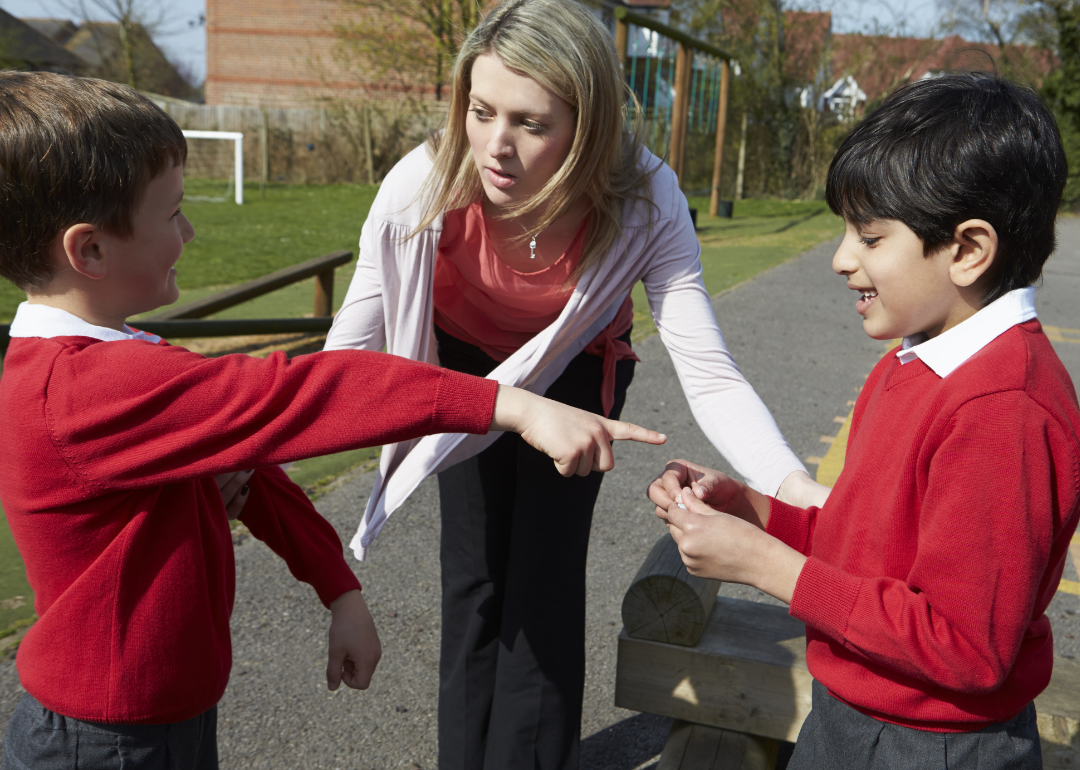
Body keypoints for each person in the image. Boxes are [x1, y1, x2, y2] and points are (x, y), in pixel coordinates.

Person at [0, 71, 665, 770]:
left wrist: (338, 588)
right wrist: (512, 404)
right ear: (91, 250)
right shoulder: (82, 391)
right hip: (103, 745)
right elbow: (304, 395)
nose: (190, 231)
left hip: (158, 721)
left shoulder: (122, 363)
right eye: (171, 215)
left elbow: (250, 472)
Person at [324, 0, 827, 766]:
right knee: (475, 577)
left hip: (577, 373)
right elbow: (348, 351)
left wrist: (795, 491)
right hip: (469, 370)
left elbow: (710, 371)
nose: (497, 146)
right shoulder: (420, 187)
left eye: (532, 123)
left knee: (544, 580)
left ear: (587, 126)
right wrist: (248, 451)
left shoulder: (645, 200)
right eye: (482, 112)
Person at [649, 73, 1079, 770]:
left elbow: (964, 645)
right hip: (855, 711)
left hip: (933, 745)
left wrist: (768, 567)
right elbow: (871, 544)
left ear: (969, 249)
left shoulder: (1005, 410)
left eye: (871, 236)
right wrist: (756, 513)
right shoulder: (916, 359)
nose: (842, 258)